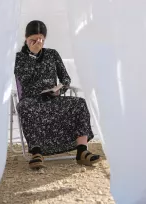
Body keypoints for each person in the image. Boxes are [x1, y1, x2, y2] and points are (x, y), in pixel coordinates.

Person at [14, 20, 102, 169]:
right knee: (25, 107)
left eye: (40, 39)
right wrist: (34, 55)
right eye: (33, 40)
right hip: (31, 100)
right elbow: (24, 78)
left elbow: (66, 78)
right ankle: (37, 152)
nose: (37, 42)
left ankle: (82, 151)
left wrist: (59, 89)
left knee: (79, 102)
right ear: (25, 38)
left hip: (52, 98)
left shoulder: (52, 54)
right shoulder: (19, 58)